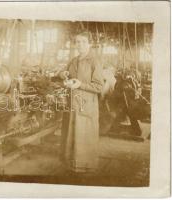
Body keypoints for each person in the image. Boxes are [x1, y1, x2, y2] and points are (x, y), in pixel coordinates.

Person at [59, 30, 104, 173]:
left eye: (84, 42)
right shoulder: (74, 60)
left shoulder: (95, 61)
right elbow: (63, 73)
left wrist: (80, 85)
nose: (80, 45)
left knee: (84, 133)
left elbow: (99, 86)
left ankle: (86, 165)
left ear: (90, 44)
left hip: (87, 104)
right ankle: (71, 162)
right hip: (73, 102)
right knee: (72, 132)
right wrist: (63, 74)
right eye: (78, 42)